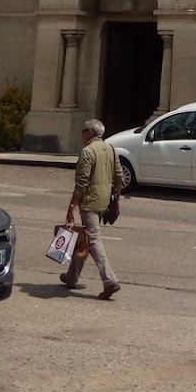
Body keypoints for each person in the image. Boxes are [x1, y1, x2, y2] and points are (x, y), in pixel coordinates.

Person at [61, 118, 123, 299]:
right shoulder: (110, 149)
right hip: (104, 202)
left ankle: (110, 280)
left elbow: (81, 183)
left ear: (90, 133)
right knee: (85, 239)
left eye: (83, 131)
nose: (81, 135)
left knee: (93, 241)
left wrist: (71, 207)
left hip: (90, 203)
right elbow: (119, 177)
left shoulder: (87, 152)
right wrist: (117, 199)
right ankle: (71, 278)